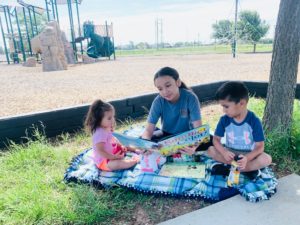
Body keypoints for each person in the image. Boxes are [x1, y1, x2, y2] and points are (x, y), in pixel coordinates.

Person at [142, 66, 211, 155]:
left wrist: (194, 147)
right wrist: (145, 145)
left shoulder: (190, 98)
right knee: (144, 141)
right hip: (167, 137)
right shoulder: (158, 101)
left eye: (168, 85)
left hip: (188, 137)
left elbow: (198, 129)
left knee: (210, 144)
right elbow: (148, 130)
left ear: (178, 82)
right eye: (160, 89)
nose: (165, 91)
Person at [207, 81, 272, 174]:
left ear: (242, 103)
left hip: (248, 154)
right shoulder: (224, 120)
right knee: (210, 150)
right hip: (230, 153)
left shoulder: (254, 121)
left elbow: (260, 146)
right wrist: (224, 152)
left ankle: (239, 168)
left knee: (266, 159)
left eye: (226, 106)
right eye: (223, 106)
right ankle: (242, 168)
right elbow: (216, 140)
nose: (224, 110)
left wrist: (247, 158)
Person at [84, 99, 139, 171]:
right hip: (103, 161)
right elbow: (101, 151)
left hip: (113, 152)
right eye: (109, 118)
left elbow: (113, 139)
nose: (113, 120)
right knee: (115, 164)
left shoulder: (106, 127)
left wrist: (120, 146)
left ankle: (137, 150)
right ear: (98, 119)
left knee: (125, 145)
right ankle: (132, 162)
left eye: (113, 116)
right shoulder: (99, 133)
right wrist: (114, 157)